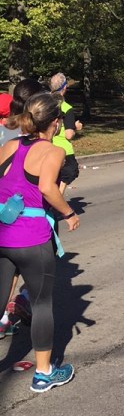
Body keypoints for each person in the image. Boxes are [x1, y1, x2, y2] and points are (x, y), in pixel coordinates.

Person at [0, 92, 80, 392]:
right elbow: (47, 187)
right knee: (42, 303)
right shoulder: (53, 151)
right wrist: (69, 213)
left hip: (3, 233)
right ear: (55, 122)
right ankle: (44, 373)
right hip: (33, 238)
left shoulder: (10, 145)